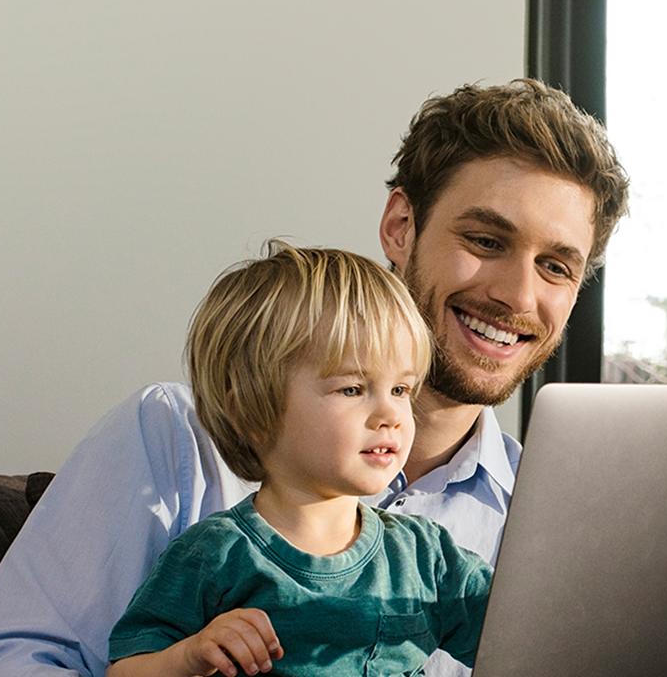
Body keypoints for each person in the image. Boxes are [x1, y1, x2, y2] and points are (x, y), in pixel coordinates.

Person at [0, 79, 667, 676]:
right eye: (485, 240)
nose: (513, 294)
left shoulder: (559, 524)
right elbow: (4, 666)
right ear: (400, 228)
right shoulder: (175, 441)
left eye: (555, 266)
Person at [108, 243, 490, 677]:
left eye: (401, 390)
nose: (391, 416)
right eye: (352, 388)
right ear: (253, 410)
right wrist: (191, 654)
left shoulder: (425, 557)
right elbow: (126, 670)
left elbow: (531, 639)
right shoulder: (215, 556)